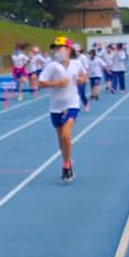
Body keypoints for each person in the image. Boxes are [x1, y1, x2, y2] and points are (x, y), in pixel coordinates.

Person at [38, 37, 85, 182]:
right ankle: (67, 160)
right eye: (55, 49)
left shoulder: (76, 64)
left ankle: (66, 166)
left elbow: (84, 75)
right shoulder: (51, 66)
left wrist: (82, 80)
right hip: (55, 106)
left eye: (60, 48)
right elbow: (41, 83)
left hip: (72, 103)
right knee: (61, 138)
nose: (57, 51)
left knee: (66, 135)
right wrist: (58, 83)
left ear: (68, 50)